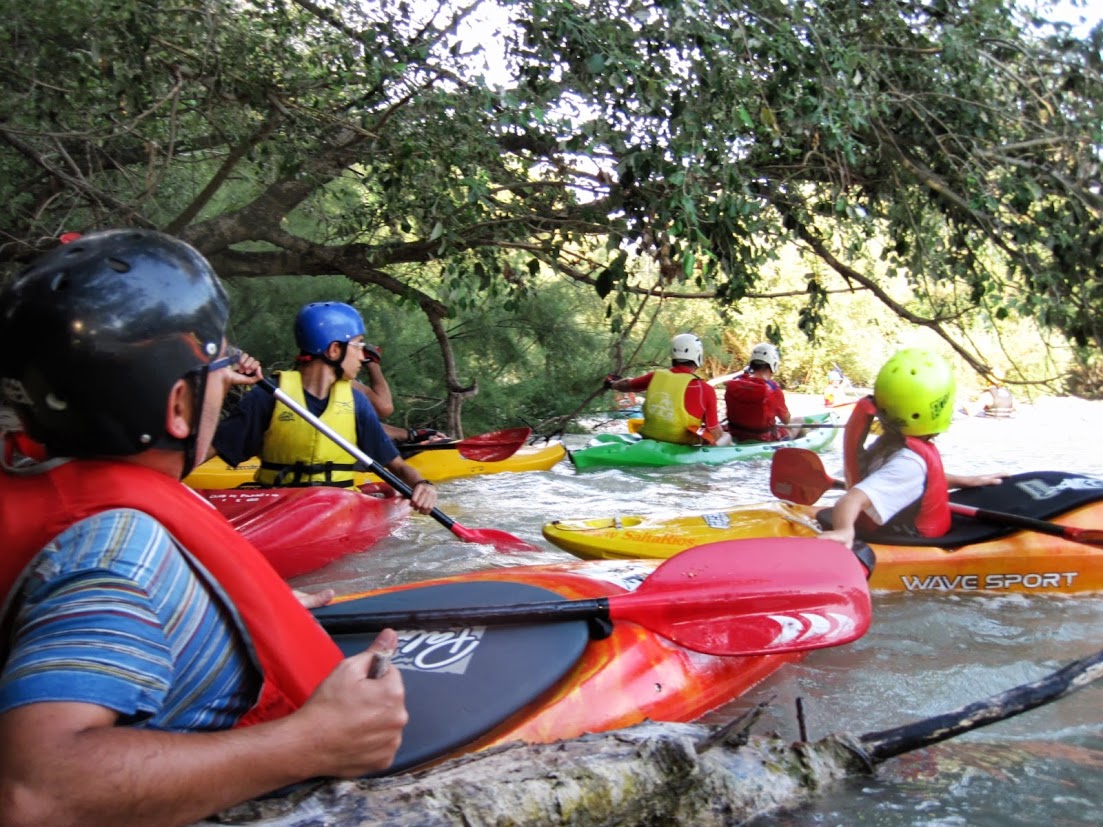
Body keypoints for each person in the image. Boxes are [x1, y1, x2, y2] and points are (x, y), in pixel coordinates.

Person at [0, 230, 407, 826]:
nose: (226, 388)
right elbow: (38, 794)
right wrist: (313, 742)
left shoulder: (69, 506)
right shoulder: (115, 554)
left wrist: (217, 606)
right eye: (216, 375)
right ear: (178, 407)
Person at [211, 301, 438, 514]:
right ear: (334, 350)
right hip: (277, 510)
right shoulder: (267, 396)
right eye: (358, 345)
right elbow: (203, 454)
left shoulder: (356, 403)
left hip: (339, 511)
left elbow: (398, 467)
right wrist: (220, 383)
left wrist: (423, 484)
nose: (362, 356)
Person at [818, 348, 1003, 549]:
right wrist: (844, 530)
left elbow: (917, 480)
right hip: (912, 541)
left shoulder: (891, 445)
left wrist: (967, 481)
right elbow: (851, 499)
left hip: (892, 526)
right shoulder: (909, 463)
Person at [604, 333, 730, 446]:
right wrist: (723, 435)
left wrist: (612, 383)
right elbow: (713, 430)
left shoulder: (655, 376)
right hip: (681, 443)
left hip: (649, 436)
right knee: (726, 436)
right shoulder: (705, 389)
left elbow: (627, 385)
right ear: (698, 355)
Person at [724, 343, 800, 442]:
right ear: (773, 364)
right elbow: (786, 421)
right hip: (763, 438)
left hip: (734, 433)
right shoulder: (773, 389)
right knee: (799, 421)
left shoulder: (732, 383)